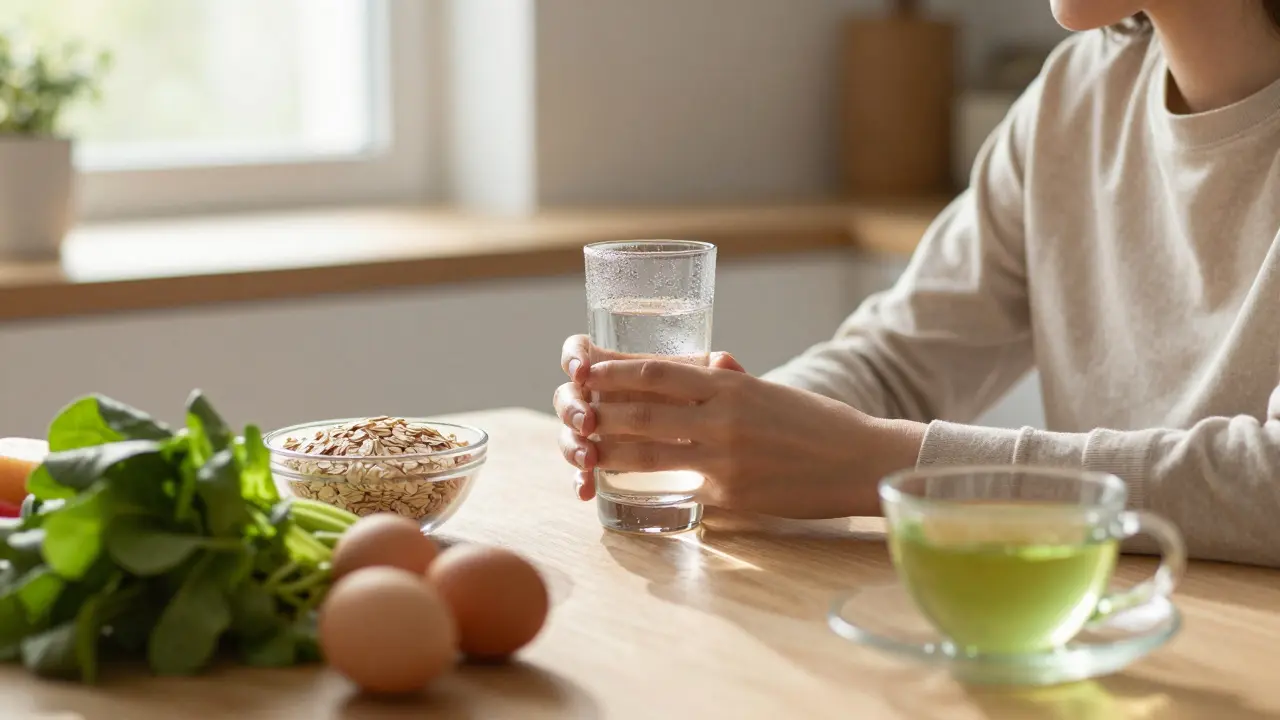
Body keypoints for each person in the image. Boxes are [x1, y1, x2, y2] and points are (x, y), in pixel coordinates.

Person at [553, 0, 1280, 567]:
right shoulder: (1076, 95)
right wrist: (713, 430)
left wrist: (887, 465)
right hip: (1090, 626)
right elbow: (895, 362)